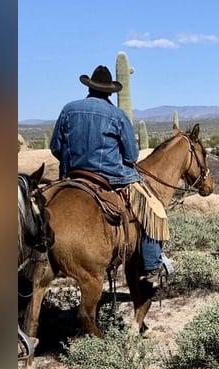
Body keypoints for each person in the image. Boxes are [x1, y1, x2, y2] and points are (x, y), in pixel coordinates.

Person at [50, 64, 171, 282]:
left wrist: (72, 163)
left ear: (89, 88)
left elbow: (56, 148)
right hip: (111, 176)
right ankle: (153, 265)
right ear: (109, 92)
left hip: (72, 174)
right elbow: (132, 156)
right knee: (153, 208)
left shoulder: (68, 109)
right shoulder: (117, 114)